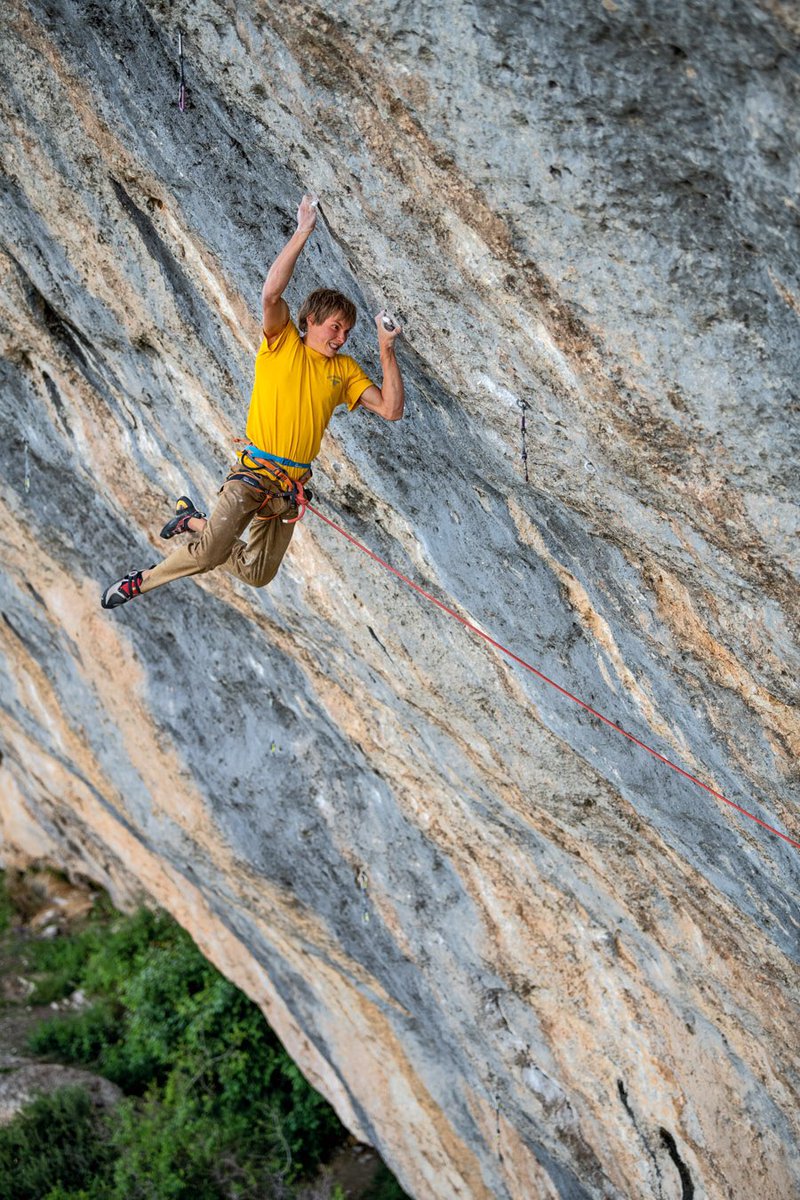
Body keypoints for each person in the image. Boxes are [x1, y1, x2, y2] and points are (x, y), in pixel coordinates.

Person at [101, 195, 404, 610]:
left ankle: (192, 521)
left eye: (348, 332)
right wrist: (303, 231)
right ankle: (142, 581)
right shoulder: (282, 345)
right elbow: (270, 293)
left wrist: (386, 348)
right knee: (207, 555)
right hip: (252, 476)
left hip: (288, 489)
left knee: (259, 574)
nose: (341, 338)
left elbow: (391, 409)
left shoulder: (346, 371)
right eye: (336, 327)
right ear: (310, 321)